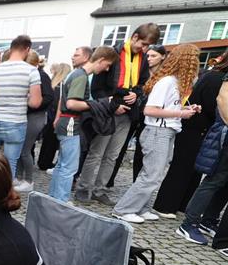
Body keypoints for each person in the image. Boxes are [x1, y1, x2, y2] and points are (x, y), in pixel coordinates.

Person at [112, 44, 201, 223]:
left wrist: (186, 108)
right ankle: (123, 209)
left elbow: (167, 107)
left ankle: (141, 207)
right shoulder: (167, 82)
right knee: (151, 174)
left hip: (165, 131)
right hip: (158, 132)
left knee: (155, 174)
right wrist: (181, 113)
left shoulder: (173, 82)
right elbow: (150, 110)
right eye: (195, 59)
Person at [76, 23, 160, 205]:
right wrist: (113, 105)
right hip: (108, 112)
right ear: (135, 37)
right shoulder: (113, 53)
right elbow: (97, 89)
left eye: (148, 46)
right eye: (143, 44)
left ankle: (100, 190)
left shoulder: (142, 59)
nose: (145, 49)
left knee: (112, 155)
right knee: (96, 153)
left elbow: (142, 83)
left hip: (128, 114)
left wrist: (135, 93)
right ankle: (83, 189)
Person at [154, 51, 228, 218]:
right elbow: (212, 106)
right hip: (194, 127)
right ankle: (165, 205)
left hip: (200, 128)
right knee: (182, 167)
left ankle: (182, 204)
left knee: (194, 171)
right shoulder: (216, 78)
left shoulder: (215, 76)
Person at [48, 47, 119, 203]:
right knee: (69, 167)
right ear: (100, 60)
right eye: (107, 64)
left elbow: (65, 101)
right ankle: (61, 200)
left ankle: (54, 197)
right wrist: (99, 104)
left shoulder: (76, 73)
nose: (107, 69)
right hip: (71, 122)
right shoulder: (81, 76)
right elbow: (72, 103)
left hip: (66, 122)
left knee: (62, 165)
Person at [108, 44, 168, 188]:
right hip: (133, 112)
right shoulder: (141, 71)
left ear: (163, 57)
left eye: (154, 56)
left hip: (149, 117)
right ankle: (109, 180)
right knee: (119, 147)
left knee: (142, 152)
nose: (149, 58)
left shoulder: (165, 76)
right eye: (148, 55)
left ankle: (137, 184)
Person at [0, 35, 42, 177]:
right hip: (15, 122)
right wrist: (21, 99)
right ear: (27, 49)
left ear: (11, 48)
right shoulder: (31, 71)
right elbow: (35, 102)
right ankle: (5, 194)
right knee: (10, 164)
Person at [14, 50, 53, 192]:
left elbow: (48, 97)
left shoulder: (42, 76)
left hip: (35, 117)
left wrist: (31, 104)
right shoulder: (29, 75)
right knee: (20, 149)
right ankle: (18, 177)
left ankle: (28, 180)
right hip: (26, 116)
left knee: (25, 150)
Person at [37, 63, 72, 171]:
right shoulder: (62, 85)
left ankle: (42, 161)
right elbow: (59, 103)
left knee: (47, 141)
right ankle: (46, 162)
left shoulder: (52, 83)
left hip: (47, 116)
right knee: (52, 142)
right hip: (55, 116)